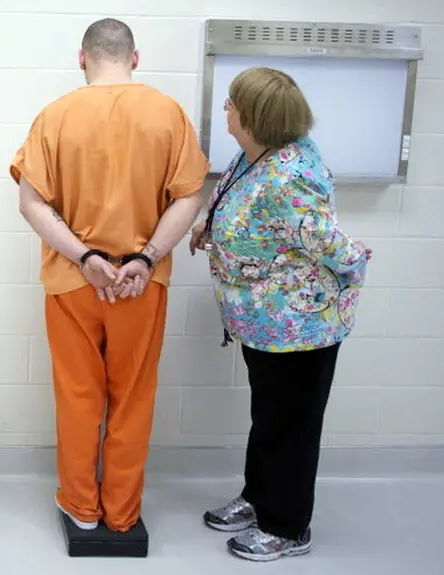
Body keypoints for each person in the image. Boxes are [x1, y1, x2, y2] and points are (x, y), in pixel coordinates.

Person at [10, 18, 209, 533]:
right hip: (141, 285)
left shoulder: (55, 117)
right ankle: (122, 512)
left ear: (82, 59)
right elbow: (189, 195)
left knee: (79, 398)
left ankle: (81, 507)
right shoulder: (168, 115)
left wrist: (84, 257)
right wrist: (144, 259)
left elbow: (31, 203)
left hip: (74, 283)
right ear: (135, 58)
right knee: (133, 397)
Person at [189, 67, 372, 562]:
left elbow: (326, 241)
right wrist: (207, 226)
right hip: (263, 321)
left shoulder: (292, 174)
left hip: (302, 327)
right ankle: (258, 497)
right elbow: (229, 195)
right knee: (268, 415)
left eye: (231, 103)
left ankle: (288, 527)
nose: (225, 108)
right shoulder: (253, 154)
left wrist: (356, 259)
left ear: (253, 118)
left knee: (291, 423)